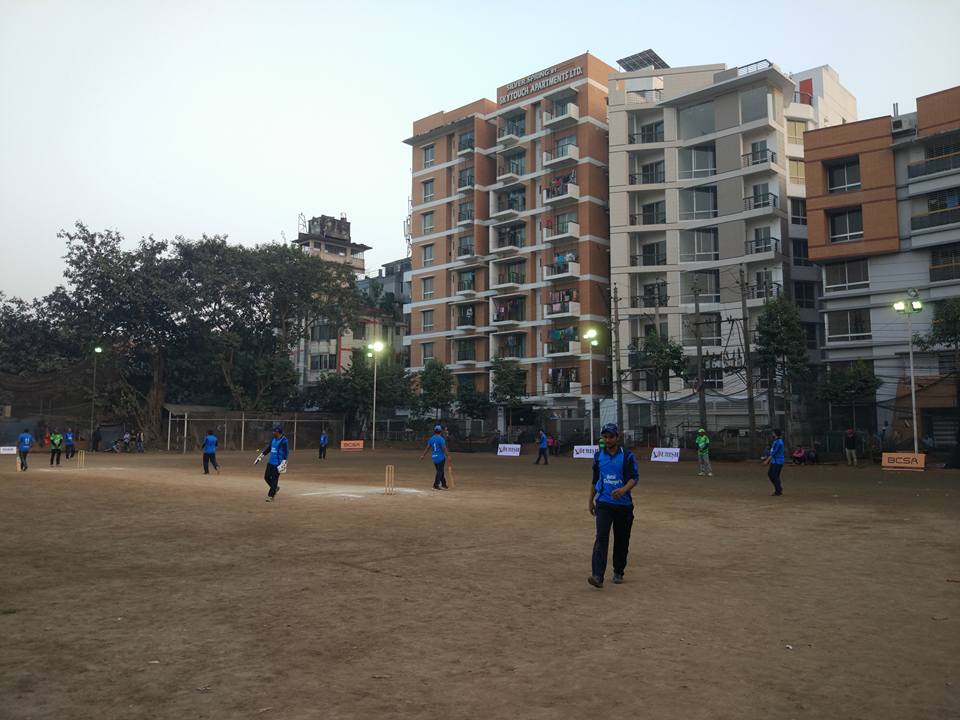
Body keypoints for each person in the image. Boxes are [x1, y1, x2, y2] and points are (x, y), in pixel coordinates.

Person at [587, 424, 639, 588]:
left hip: (624, 505)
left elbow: (634, 478)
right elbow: (595, 480)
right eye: (605, 437)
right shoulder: (598, 457)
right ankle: (597, 575)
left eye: (611, 437)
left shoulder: (627, 456)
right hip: (604, 503)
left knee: (622, 539)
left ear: (617, 437)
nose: (607, 440)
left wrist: (623, 490)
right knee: (601, 537)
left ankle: (618, 571)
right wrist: (590, 500)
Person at [256, 425, 289, 502]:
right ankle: (275, 488)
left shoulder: (284, 441)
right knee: (266, 477)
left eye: (275, 431)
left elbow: (286, 452)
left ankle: (271, 496)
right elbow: (269, 449)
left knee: (274, 479)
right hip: (270, 462)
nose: (273, 432)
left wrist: (284, 463)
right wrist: (261, 456)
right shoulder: (273, 439)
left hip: (278, 463)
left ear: (279, 432)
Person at [420, 424, 450, 490]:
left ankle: (444, 484)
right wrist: (448, 455)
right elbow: (444, 448)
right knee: (440, 471)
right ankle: (436, 485)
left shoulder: (431, 438)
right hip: (440, 457)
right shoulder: (441, 439)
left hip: (434, 457)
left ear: (434, 431)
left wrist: (423, 455)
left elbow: (428, 448)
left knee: (440, 471)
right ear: (440, 431)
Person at [762, 428, 785, 496]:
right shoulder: (775, 441)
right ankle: (778, 488)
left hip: (778, 461)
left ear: (776, 433)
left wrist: (767, 460)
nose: (772, 434)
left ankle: (778, 490)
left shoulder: (779, 442)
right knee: (770, 474)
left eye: (773, 433)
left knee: (775, 475)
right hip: (774, 461)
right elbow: (772, 451)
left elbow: (774, 452)